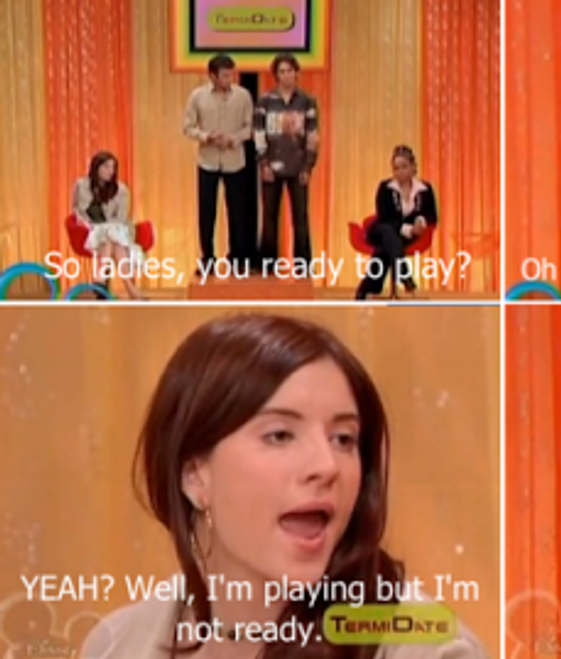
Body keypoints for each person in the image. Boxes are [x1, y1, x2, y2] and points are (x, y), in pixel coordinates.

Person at [79, 313, 489, 659]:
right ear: (194, 475)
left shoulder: (428, 648)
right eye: (280, 435)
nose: (327, 465)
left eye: (343, 439)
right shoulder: (117, 645)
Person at [183, 53, 255, 275]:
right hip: (208, 161)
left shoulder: (243, 96)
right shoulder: (197, 96)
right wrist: (206, 136)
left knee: (237, 212)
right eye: (224, 76)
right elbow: (188, 127)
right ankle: (208, 258)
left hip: (235, 161)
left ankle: (237, 258)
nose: (229, 79)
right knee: (207, 213)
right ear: (212, 76)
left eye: (231, 75)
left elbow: (250, 127)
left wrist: (234, 138)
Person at [255, 53, 320, 275]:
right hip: (270, 167)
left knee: (300, 218)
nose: (286, 75)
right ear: (276, 75)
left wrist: (308, 166)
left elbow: (312, 135)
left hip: (298, 167)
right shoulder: (265, 101)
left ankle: (303, 267)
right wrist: (263, 163)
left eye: (289, 71)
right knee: (269, 217)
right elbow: (258, 133)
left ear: (296, 73)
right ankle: (268, 265)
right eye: (281, 71)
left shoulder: (307, 101)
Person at [355, 146, 438, 300]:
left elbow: (432, 215)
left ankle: (367, 288)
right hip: (379, 230)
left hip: (404, 236)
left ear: (413, 167)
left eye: (404, 167)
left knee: (387, 246)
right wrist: (408, 229)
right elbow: (384, 217)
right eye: (396, 168)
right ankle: (405, 276)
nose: (400, 172)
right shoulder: (385, 188)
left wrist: (421, 222)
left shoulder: (425, 189)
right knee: (388, 232)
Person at [71, 151, 145, 300]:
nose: (110, 171)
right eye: (106, 166)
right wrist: (83, 222)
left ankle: (100, 278)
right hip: (89, 229)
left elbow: (121, 218)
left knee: (109, 237)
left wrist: (105, 228)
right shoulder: (81, 185)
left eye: (113, 167)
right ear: (96, 167)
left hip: (117, 229)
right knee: (111, 241)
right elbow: (76, 208)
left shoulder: (121, 190)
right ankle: (131, 289)